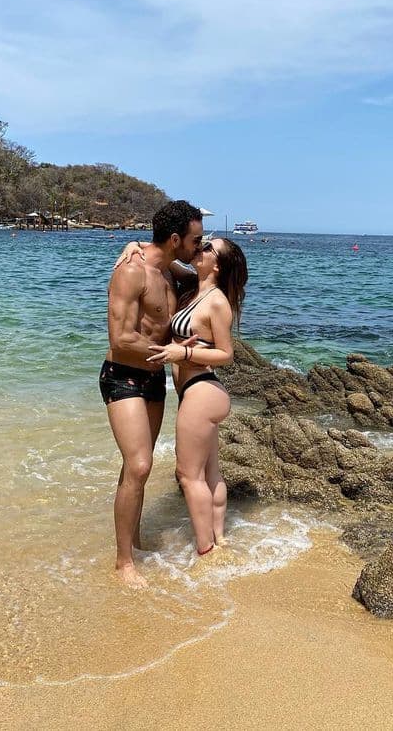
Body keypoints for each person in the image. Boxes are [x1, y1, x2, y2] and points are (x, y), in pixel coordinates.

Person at [101, 200, 203, 588]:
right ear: (176, 239)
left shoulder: (171, 271)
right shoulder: (132, 272)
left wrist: (135, 241)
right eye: (195, 240)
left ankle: (135, 540)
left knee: (134, 469)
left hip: (153, 380)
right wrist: (173, 353)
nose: (199, 246)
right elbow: (121, 339)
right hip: (123, 375)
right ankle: (123, 562)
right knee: (140, 464)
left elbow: (208, 268)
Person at [146, 238, 248, 556]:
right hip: (201, 391)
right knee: (210, 473)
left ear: (216, 265)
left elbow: (227, 353)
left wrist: (183, 351)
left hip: (202, 391)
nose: (199, 248)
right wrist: (134, 247)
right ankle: (219, 538)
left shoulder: (216, 301)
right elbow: (161, 259)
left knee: (187, 475)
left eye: (207, 248)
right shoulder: (195, 288)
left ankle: (206, 550)